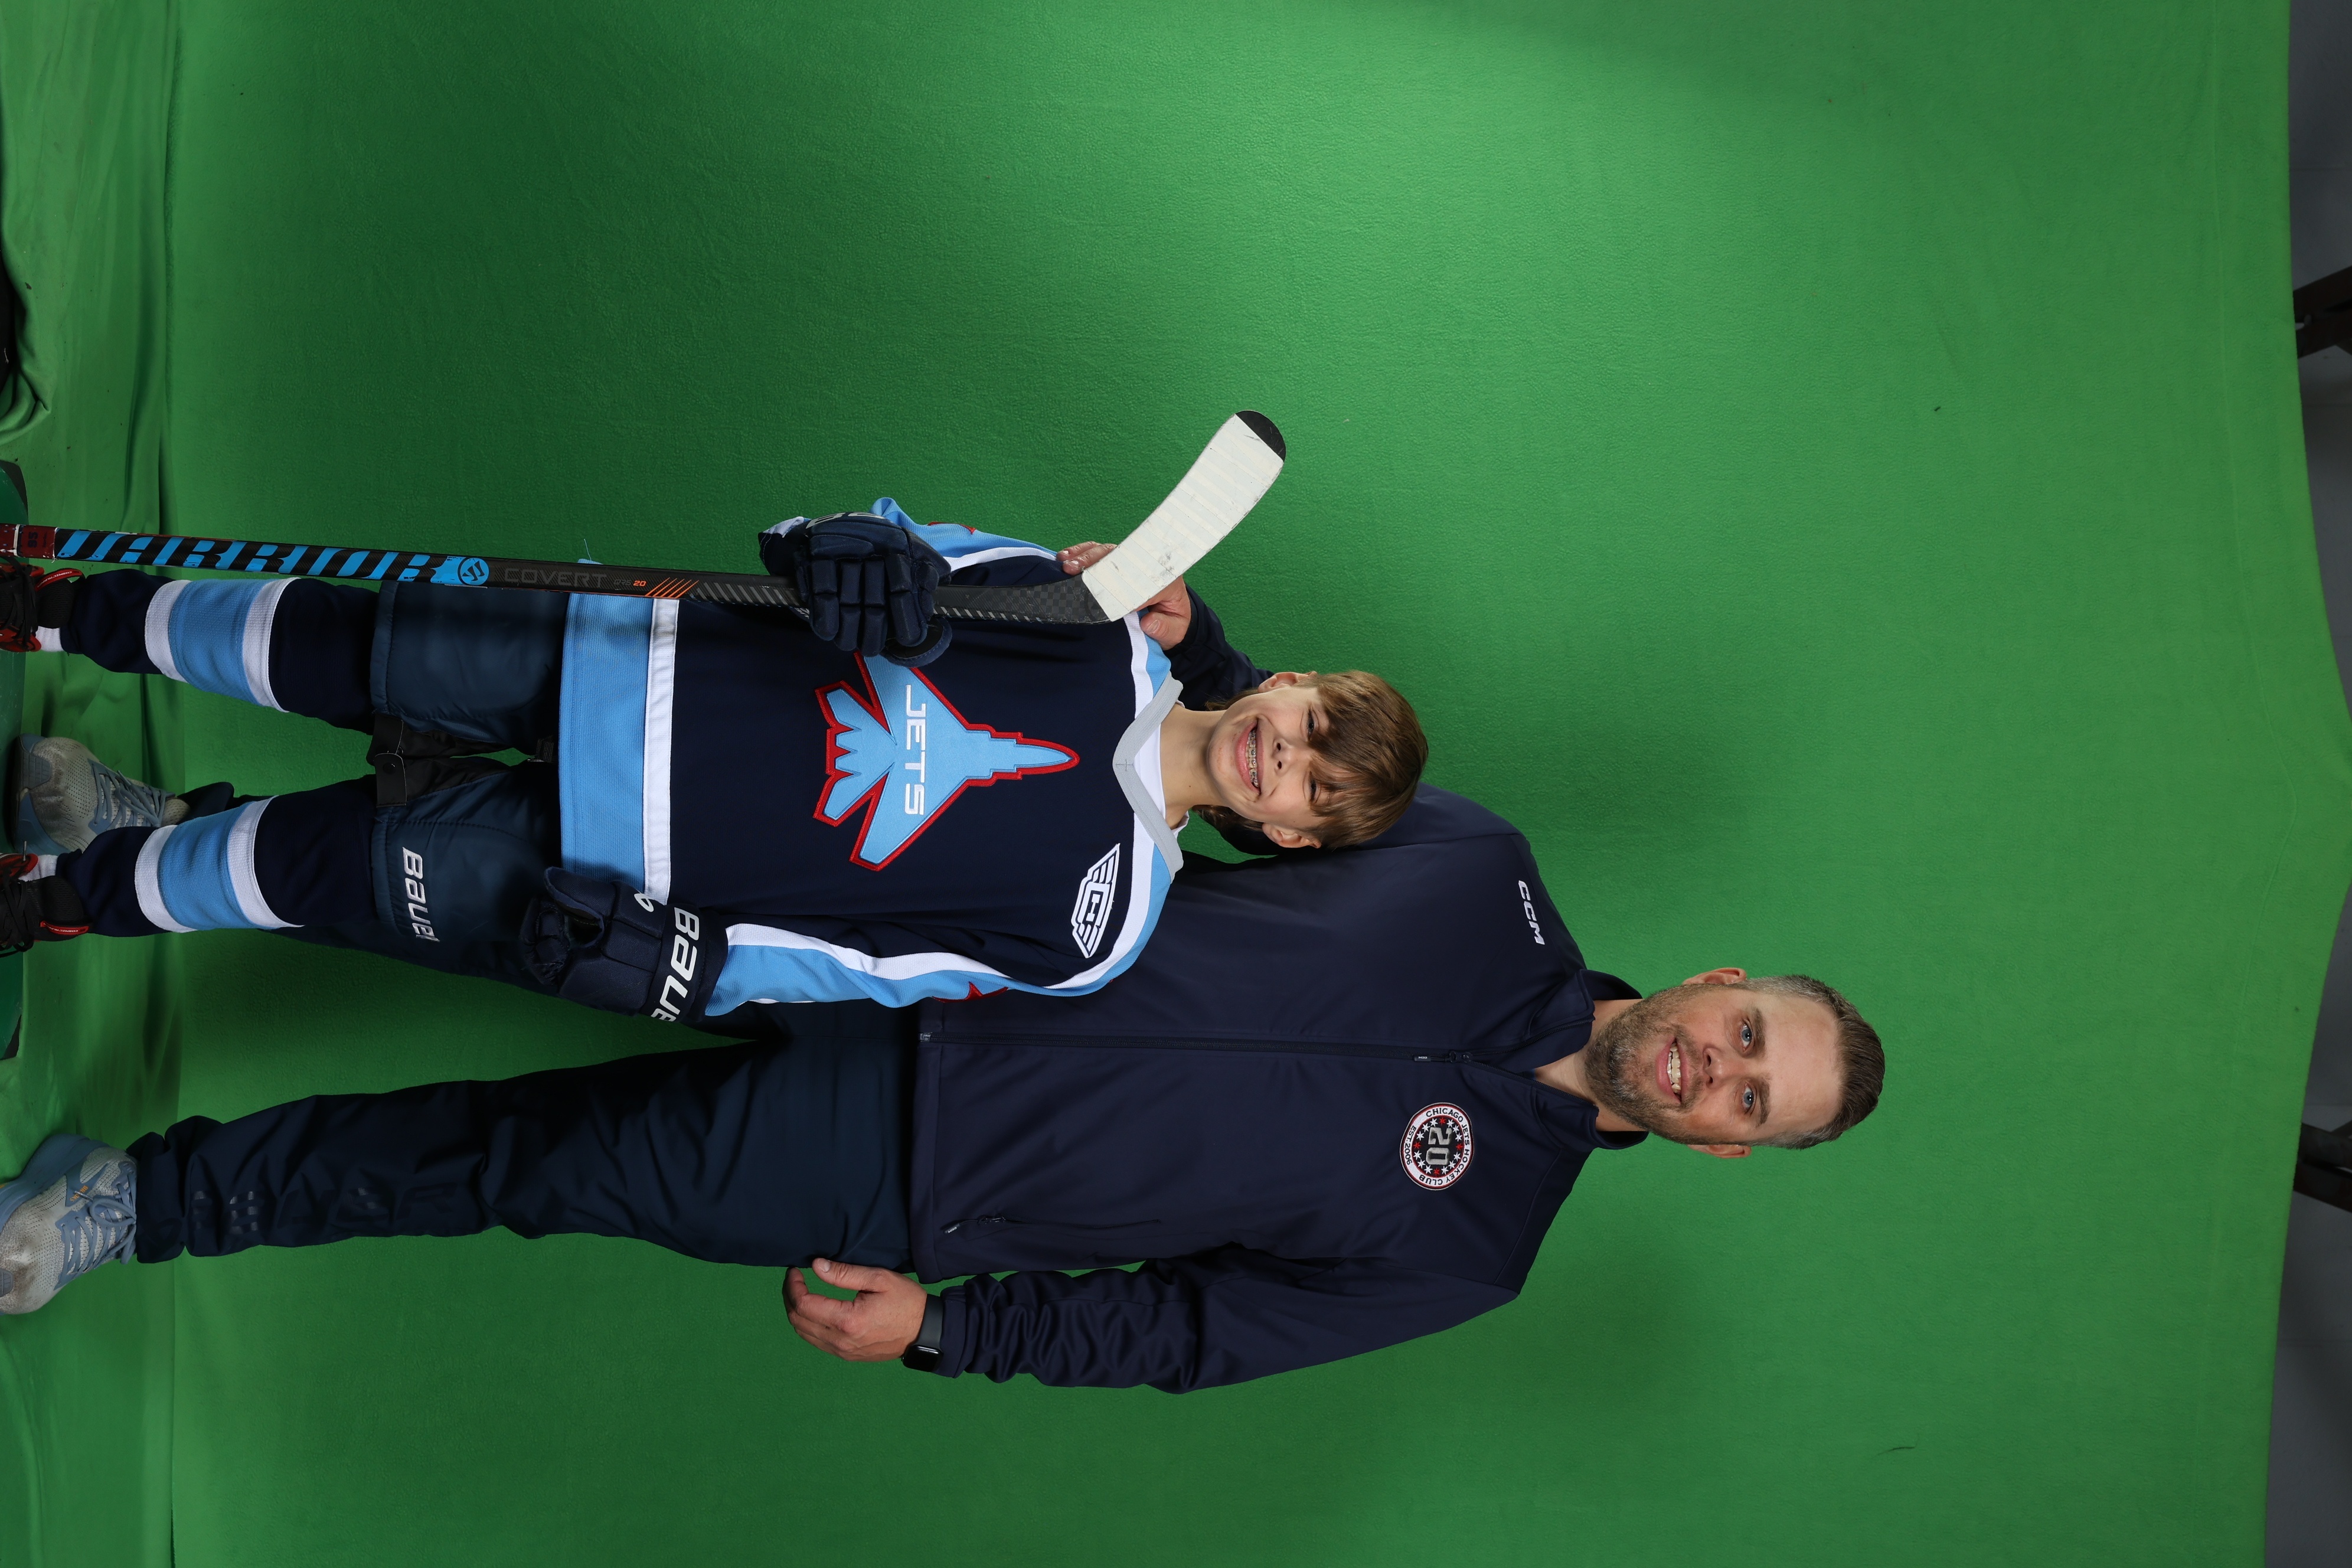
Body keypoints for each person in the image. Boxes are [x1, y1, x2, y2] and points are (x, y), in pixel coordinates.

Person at [0, 502, 1426, 1021]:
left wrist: (690, 968)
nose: (1286, 757)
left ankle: (63, 894)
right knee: (331, 642)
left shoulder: (1101, 929)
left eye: (1314, 789)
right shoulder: (1095, 615)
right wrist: (849, 549)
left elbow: (873, 968)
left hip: (619, 860)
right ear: (1285, 681)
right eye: (1310, 724)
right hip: (629, 653)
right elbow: (864, 537)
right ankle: (57, 606)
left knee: (312, 869)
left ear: (1290, 837)